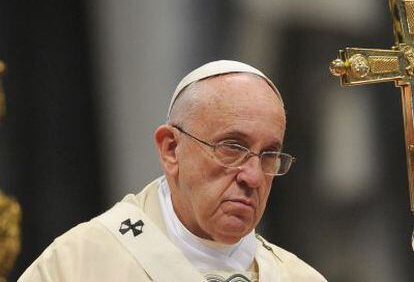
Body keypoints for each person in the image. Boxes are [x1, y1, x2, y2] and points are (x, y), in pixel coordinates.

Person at [18, 60, 327, 281]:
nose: (254, 176)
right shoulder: (81, 264)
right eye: (232, 147)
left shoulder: (296, 276)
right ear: (170, 149)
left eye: (269, 155)